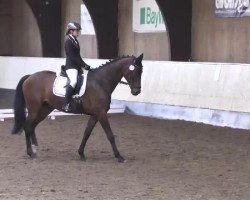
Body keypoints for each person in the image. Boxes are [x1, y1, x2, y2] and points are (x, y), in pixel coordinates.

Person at [63, 21, 90, 111]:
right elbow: (72, 57)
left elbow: (78, 56)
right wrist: (83, 65)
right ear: (71, 31)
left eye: (78, 31)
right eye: (77, 30)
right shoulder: (68, 42)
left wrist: (85, 65)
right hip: (71, 66)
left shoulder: (75, 41)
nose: (78, 32)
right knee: (73, 81)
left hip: (77, 66)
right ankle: (66, 104)